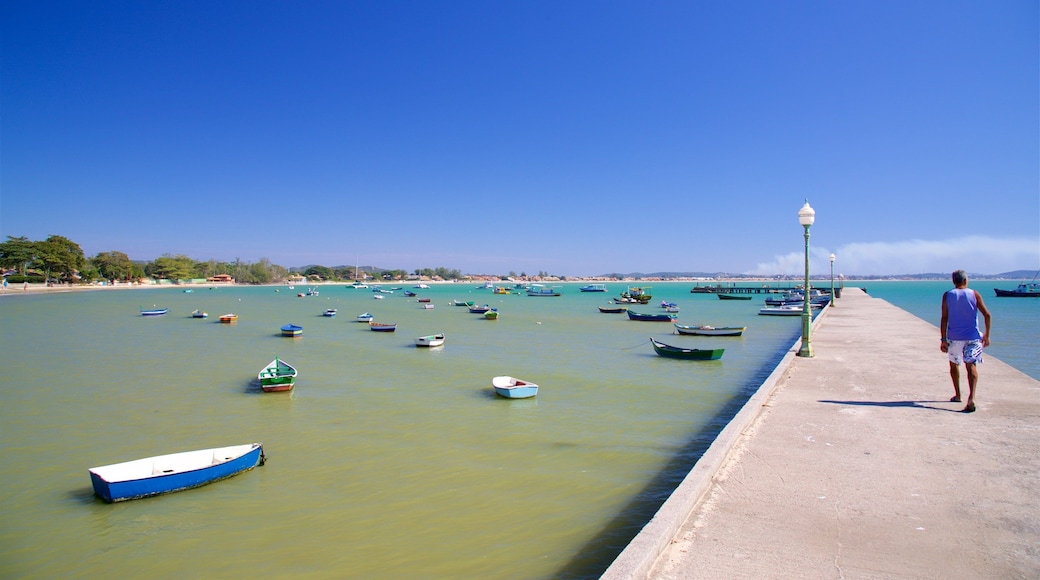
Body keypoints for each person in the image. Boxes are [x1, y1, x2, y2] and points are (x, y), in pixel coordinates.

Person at [940, 270, 992, 413]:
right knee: (971, 366)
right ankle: (972, 398)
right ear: (965, 281)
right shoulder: (974, 294)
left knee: (954, 364)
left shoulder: (948, 295)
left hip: (954, 338)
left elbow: (944, 318)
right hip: (973, 337)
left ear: (953, 281)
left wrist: (943, 339)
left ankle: (958, 395)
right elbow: (987, 315)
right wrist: (987, 335)